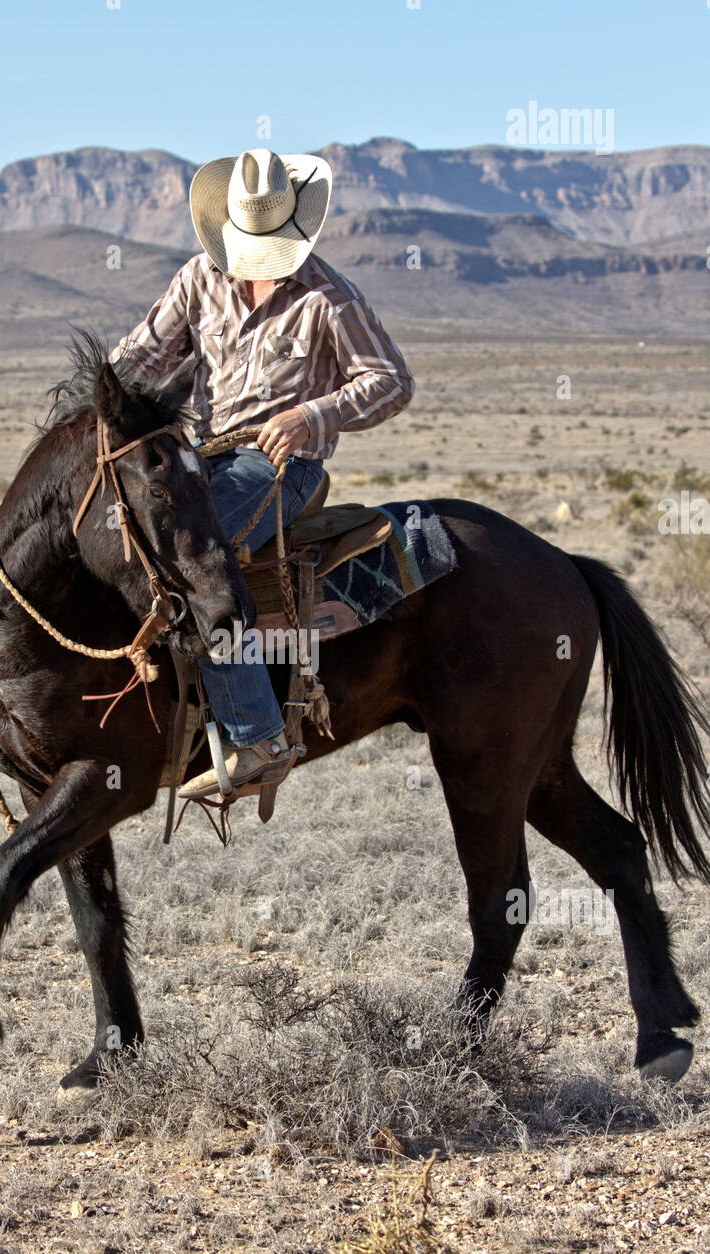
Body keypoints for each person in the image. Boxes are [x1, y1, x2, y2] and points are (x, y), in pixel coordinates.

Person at [111, 148, 414, 798]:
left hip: (281, 468)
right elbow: (143, 353)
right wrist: (101, 391)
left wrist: (312, 416)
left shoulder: (329, 298)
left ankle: (256, 736)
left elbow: (391, 382)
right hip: (198, 459)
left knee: (201, 554)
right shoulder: (199, 278)